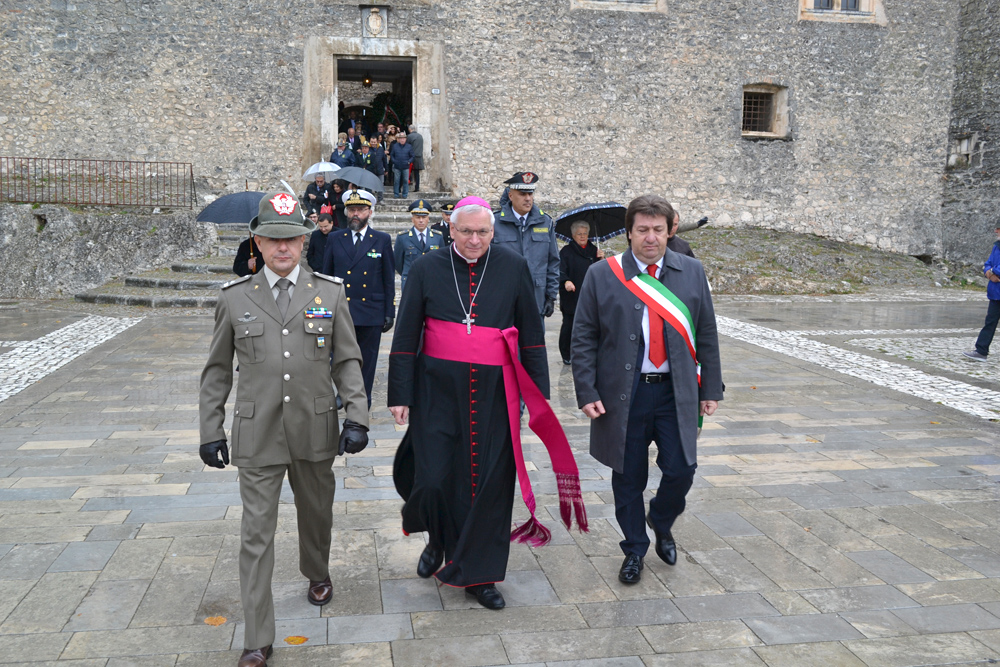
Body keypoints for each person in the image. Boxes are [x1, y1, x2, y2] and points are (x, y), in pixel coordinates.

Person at [388, 197, 587, 610]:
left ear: (493, 233)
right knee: (434, 478)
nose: (475, 239)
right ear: (451, 229)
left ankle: (480, 574)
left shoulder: (513, 266)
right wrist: (399, 396)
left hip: (497, 394)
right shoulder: (427, 268)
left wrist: (539, 398)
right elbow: (406, 334)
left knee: (489, 485)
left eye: (483, 232)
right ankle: (439, 539)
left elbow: (532, 333)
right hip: (436, 392)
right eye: (466, 231)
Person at [199, 191, 369, 667]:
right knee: (256, 535)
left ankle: (316, 569)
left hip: (315, 427)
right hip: (257, 433)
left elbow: (348, 359)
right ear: (257, 240)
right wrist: (209, 429)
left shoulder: (329, 293)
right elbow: (216, 370)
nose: (283, 249)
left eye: (292, 239)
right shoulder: (235, 299)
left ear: (305, 241)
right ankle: (257, 636)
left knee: (317, 513)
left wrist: (357, 415)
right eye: (273, 240)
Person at [571, 195, 723, 585]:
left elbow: (706, 332)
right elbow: (583, 336)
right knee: (627, 476)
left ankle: (661, 517)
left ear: (670, 229)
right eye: (643, 230)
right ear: (629, 232)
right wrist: (586, 391)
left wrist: (712, 389)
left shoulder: (691, 270)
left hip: (676, 392)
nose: (651, 237)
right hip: (625, 394)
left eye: (658, 229)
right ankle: (635, 549)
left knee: (682, 468)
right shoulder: (602, 274)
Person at [321, 189, 395, 406]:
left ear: (369, 212)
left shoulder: (381, 240)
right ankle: (343, 393)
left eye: (360, 210)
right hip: (342, 309)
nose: (355, 214)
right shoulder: (335, 238)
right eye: (352, 209)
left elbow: (388, 279)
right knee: (341, 357)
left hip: (371, 310)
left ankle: (364, 397)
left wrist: (389, 312)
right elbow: (326, 276)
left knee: (368, 358)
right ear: (346, 212)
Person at [493, 172, 559, 324]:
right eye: (522, 194)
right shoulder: (495, 222)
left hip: (536, 297)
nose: (528, 198)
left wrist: (550, 296)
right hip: (504, 297)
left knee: (534, 344)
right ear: (510, 196)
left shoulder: (545, 222)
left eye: (530, 193)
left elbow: (553, 261)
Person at [558, 221, 602, 365]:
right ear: (573, 235)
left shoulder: (594, 250)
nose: (583, 236)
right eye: (579, 234)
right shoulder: (566, 252)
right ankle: (567, 353)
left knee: (589, 325)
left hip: (589, 294)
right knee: (569, 326)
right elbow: (559, 270)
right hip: (572, 294)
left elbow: (600, 272)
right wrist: (566, 281)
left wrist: (601, 260)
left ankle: (587, 352)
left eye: (585, 234)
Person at [964, 222, 1000, 361]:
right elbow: (988, 263)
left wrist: (993, 271)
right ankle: (981, 351)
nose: (996, 230)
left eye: (998, 228)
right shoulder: (996, 246)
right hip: (995, 293)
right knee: (990, 323)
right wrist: (988, 273)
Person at [394, 199, 442, 291]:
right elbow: (398, 263)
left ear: (428, 218)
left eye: (424, 217)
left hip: (432, 281)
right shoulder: (403, 237)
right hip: (410, 281)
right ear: (412, 219)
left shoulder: (437, 237)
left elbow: (441, 260)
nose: (421, 220)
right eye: (417, 217)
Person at [389, 132, 414, 199]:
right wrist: (394, 161)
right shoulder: (395, 146)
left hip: (406, 167)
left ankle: (405, 194)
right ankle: (396, 194)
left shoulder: (409, 146)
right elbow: (392, 155)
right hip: (397, 167)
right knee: (396, 181)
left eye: (403, 138)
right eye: (401, 138)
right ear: (399, 139)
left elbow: (412, 156)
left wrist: (409, 162)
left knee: (405, 180)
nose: (402, 140)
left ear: (405, 139)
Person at [406, 124, 424, 192]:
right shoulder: (420, 136)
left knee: (408, 172)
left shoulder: (409, 136)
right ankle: (417, 187)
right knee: (417, 173)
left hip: (412, 157)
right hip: (419, 156)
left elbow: (407, 146)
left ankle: (407, 186)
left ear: (409, 129)